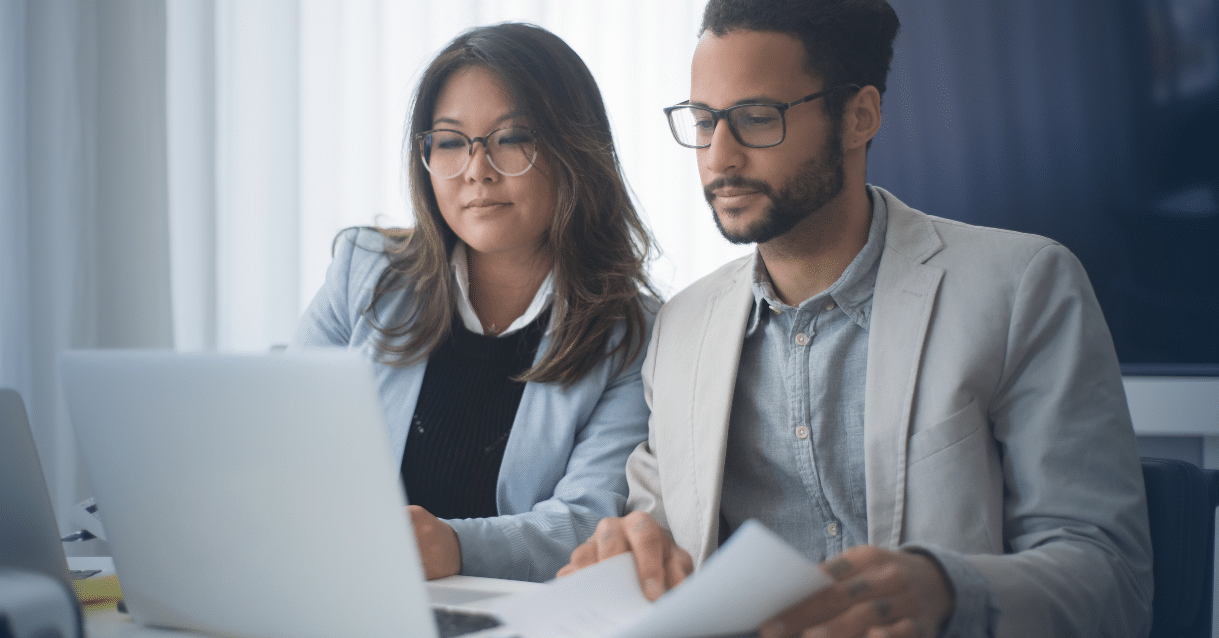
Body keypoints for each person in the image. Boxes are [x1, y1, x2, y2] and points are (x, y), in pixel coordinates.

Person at [559, 1, 1153, 636]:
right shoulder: (680, 329)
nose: (719, 157)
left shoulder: (1022, 287)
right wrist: (625, 558)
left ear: (859, 116)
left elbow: (1111, 578)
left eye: (757, 119)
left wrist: (948, 590)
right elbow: (654, 539)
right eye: (704, 122)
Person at [292, 22, 658, 583]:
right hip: (339, 594)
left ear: (575, 150)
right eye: (450, 141)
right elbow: (282, 450)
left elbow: (590, 524)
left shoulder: (631, 334)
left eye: (512, 138)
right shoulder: (362, 274)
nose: (476, 170)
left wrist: (456, 546)